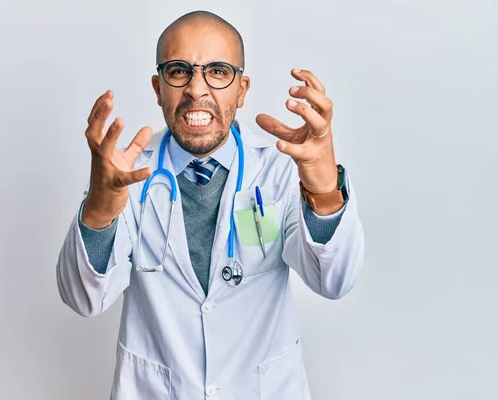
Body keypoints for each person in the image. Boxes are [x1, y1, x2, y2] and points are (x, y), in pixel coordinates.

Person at [56, 10, 364, 400]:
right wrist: (100, 209)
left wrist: (322, 188)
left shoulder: (279, 168)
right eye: (179, 70)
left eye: (218, 71)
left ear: (242, 88)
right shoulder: (126, 175)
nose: (197, 90)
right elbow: (84, 298)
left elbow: (334, 280)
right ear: (157, 87)